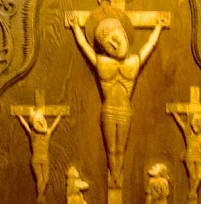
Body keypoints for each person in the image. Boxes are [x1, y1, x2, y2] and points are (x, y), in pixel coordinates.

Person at [69, 10, 167, 188]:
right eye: (108, 44)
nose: (114, 45)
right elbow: (84, 46)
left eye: (116, 37)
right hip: (108, 111)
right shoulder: (102, 62)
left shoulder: (133, 62)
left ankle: (116, 175)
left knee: (120, 149)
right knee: (111, 149)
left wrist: (158, 27)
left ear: (125, 36)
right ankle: (114, 174)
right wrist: (75, 27)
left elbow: (150, 45)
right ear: (103, 49)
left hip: (124, 112)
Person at [16, 107, 63, 204]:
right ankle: (40, 197)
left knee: (44, 179)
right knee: (42, 179)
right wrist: (59, 116)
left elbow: (26, 126)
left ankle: (40, 196)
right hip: (38, 159)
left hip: (42, 159)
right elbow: (53, 125)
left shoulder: (37, 135)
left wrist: (20, 116)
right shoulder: (39, 135)